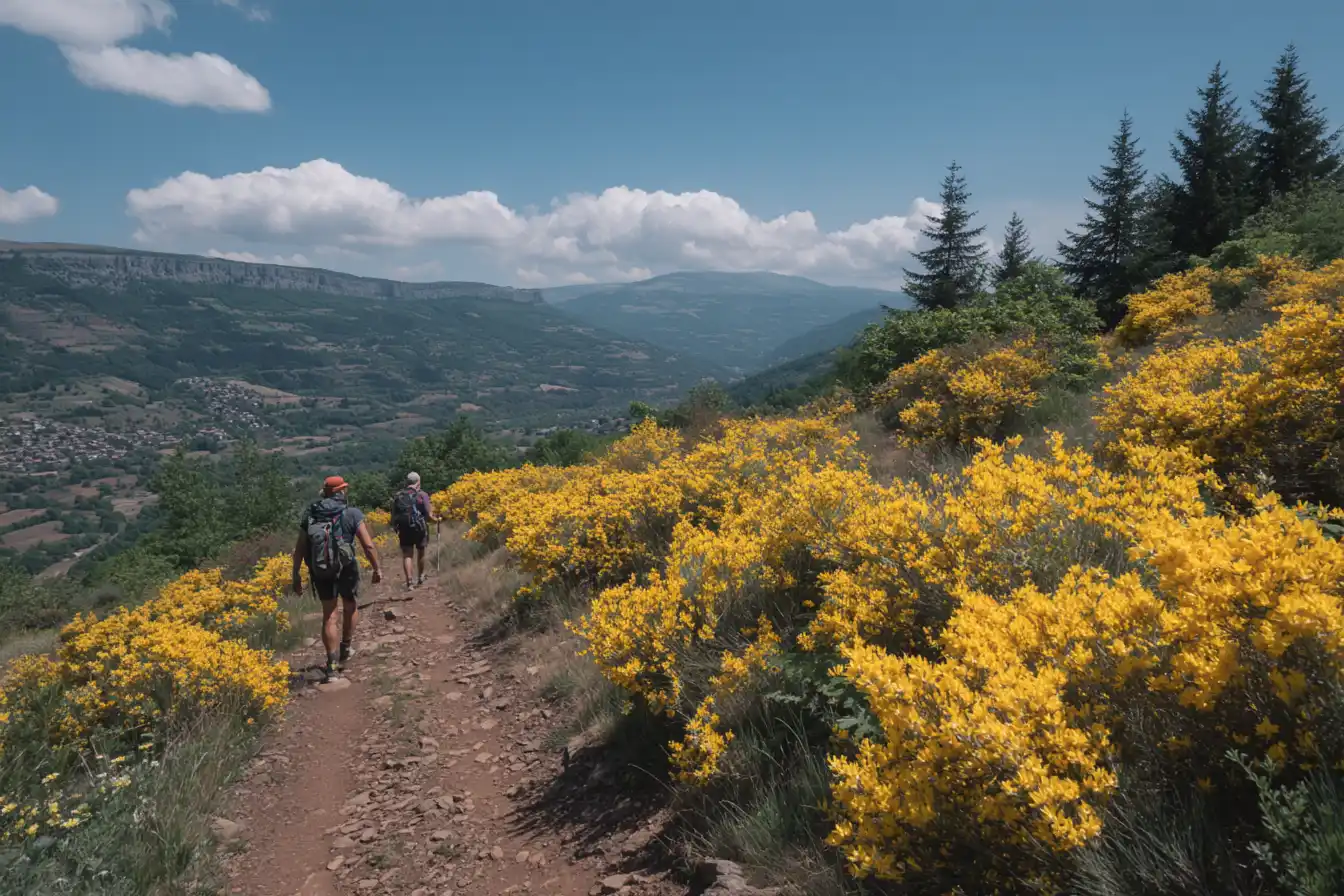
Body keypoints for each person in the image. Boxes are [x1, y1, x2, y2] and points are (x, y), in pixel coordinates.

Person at [291, 475, 383, 681]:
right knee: (350, 606)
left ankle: (331, 665)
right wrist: (377, 568)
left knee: (329, 615)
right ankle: (346, 648)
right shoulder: (351, 513)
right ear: (340, 491)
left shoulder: (311, 515)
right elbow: (368, 545)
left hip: (321, 570)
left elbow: (300, 549)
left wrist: (296, 574)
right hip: (346, 568)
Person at [391, 471, 442, 590]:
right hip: (419, 528)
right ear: (418, 482)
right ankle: (420, 577)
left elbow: (393, 515)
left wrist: (395, 527)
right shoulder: (421, 495)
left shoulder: (398, 496)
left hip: (404, 528)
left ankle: (409, 582)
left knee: (407, 554)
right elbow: (429, 515)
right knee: (421, 551)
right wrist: (437, 520)